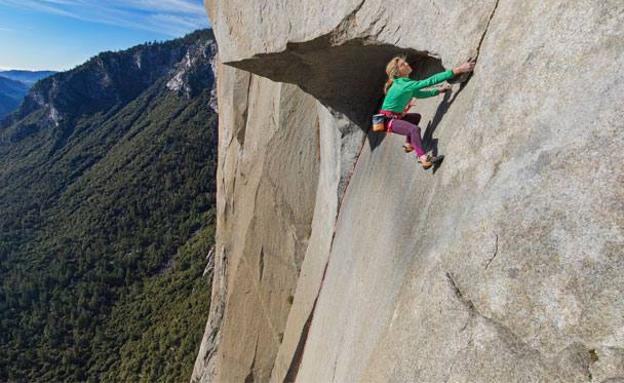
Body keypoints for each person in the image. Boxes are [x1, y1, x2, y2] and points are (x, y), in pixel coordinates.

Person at [379, 55, 475, 169]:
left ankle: (409, 144)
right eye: (402, 64)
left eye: (405, 62)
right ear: (397, 72)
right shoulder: (403, 85)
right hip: (386, 120)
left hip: (392, 117)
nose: (406, 64)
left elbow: (418, 94)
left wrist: (437, 91)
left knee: (415, 118)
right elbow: (430, 81)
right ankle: (423, 159)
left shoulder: (403, 83)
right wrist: (458, 70)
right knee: (414, 129)